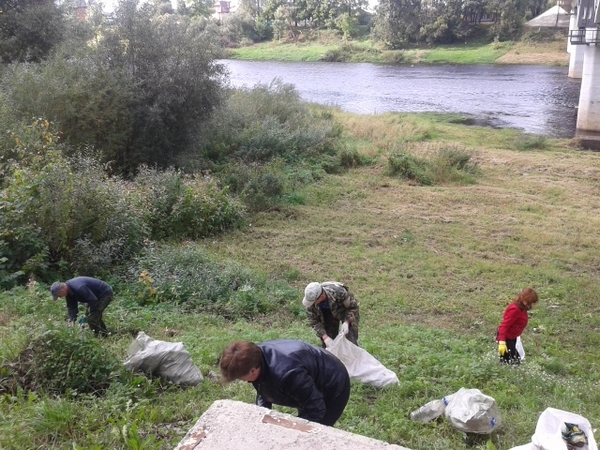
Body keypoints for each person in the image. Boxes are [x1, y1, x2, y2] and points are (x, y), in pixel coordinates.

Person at [219, 339, 350, 426]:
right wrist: (262, 417)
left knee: (318, 429)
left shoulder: (287, 375)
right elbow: (263, 389)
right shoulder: (255, 358)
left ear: (253, 371)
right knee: (304, 408)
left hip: (333, 383)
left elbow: (317, 409)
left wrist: (290, 429)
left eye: (242, 378)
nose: (244, 382)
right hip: (306, 377)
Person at [302, 281, 359, 348]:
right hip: (326, 314)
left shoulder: (338, 292)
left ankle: (353, 356)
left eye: (314, 301)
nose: (312, 303)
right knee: (329, 345)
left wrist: (347, 322)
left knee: (350, 340)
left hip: (344, 311)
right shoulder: (311, 303)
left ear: (321, 296)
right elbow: (313, 321)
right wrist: (325, 337)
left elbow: (352, 307)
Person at [497, 287, 539, 364]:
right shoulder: (515, 309)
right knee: (514, 362)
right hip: (506, 338)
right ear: (522, 298)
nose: (530, 305)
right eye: (529, 302)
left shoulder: (522, 308)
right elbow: (504, 325)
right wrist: (502, 341)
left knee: (508, 361)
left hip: (512, 337)